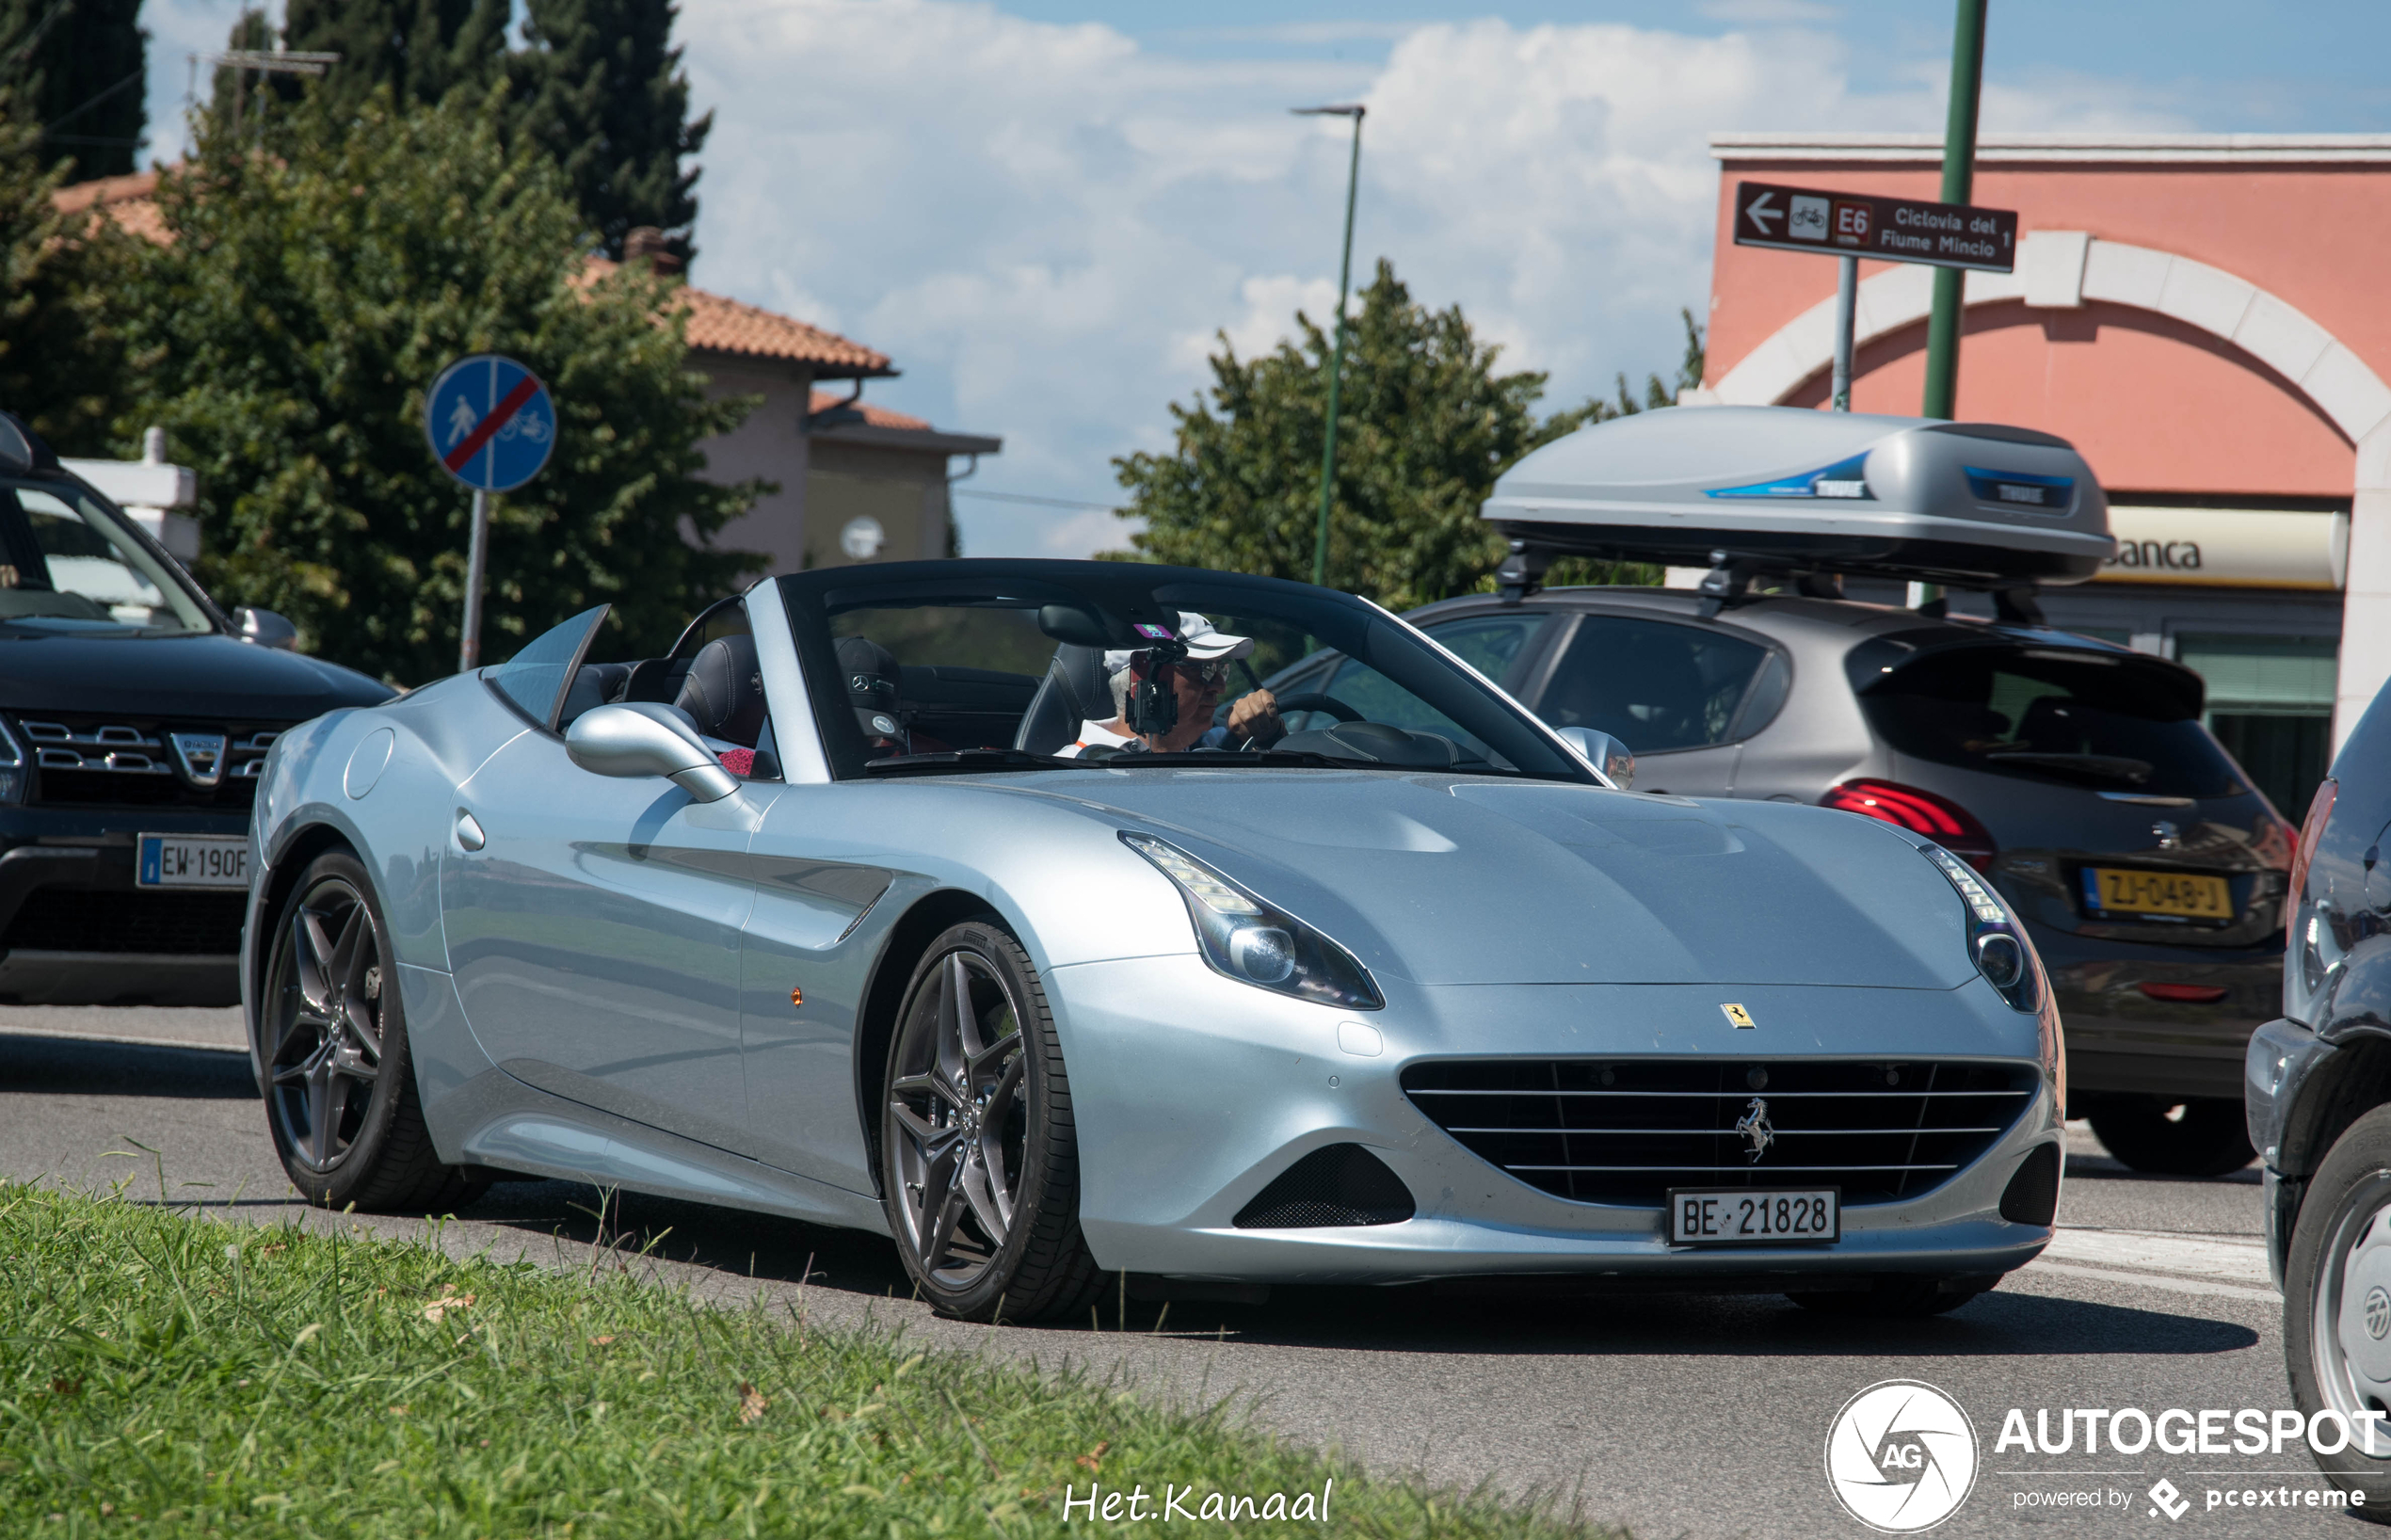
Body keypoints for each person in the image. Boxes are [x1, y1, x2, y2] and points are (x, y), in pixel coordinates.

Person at [1060, 612, 1285, 757]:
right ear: (1143, 678)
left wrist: (1269, 735)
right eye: (1205, 670)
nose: (1220, 686)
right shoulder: (1066, 769)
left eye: (1220, 670)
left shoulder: (1225, 743)